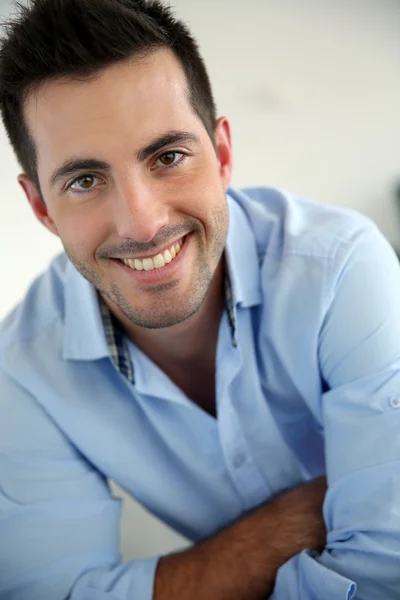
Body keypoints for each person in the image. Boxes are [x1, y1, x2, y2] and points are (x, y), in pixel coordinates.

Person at [1, 0, 400, 598]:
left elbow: (385, 566)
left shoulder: (340, 266)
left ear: (222, 156)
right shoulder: (21, 373)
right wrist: (297, 520)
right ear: (40, 207)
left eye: (168, 157)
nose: (141, 223)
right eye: (85, 180)